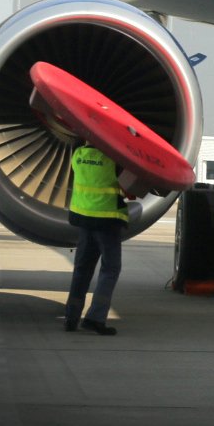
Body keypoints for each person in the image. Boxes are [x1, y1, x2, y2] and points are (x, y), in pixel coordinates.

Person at [64, 142, 134, 335]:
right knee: (110, 268)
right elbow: (130, 187)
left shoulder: (78, 155)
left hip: (84, 218)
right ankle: (95, 318)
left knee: (82, 269)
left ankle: (71, 317)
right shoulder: (115, 159)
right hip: (107, 221)